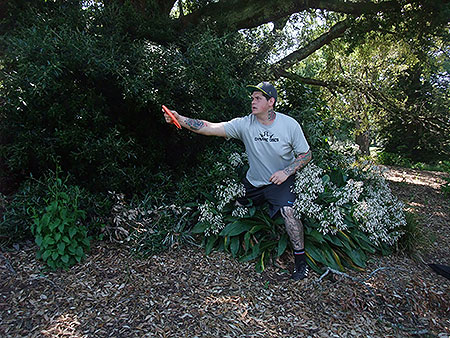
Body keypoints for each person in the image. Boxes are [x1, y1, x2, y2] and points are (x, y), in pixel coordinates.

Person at [163, 82, 312, 280]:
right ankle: (231, 243)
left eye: (258, 98)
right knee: (234, 204)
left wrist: (286, 171)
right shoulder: (245, 124)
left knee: (289, 212)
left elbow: (306, 154)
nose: (253, 101)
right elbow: (209, 127)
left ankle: (301, 263)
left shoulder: (289, 125)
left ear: (271, 102)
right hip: (253, 183)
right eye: (252, 98)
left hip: (280, 182)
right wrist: (179, 119)